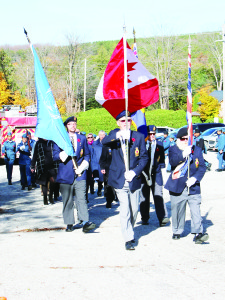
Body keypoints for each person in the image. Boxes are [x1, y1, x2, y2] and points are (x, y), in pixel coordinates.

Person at [102, 111, 148, 250]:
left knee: (134, 209)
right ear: (117, 123)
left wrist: (135, 172)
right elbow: (104, 142)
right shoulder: (114, 135)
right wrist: (118, 135)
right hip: (119, 179)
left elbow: (144, 157)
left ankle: (129, 228)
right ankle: (128, 238)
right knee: (125, 209)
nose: (126, 123)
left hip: (133, 179)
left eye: (128, 120)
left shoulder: (138, 137)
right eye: (122, 121)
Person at [164, 127, 209, 244]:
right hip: (177, 185)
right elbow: (173, 162)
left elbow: (202, 167)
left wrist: (195, 178)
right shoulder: (173, 149)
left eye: (187, 138)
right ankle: (177, 231)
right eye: (183, 139)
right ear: (178, 139)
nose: (185, 141)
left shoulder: (197, 150)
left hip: (193, 186)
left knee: (196, 210)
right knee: (177, 210)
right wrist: (184, 154)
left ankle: (198, 233)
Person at [53, 116, 96, 233]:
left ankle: (85, 221)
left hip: (80, 174)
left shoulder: (81, 138)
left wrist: (83, 166)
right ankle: (69, 223)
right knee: (67, 200)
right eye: (70, 124)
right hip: (65, 174)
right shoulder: (60, 139)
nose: (73, 126)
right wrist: (64, 153)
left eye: (74, 124)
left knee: (81, 199)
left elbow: (87, 154)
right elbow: (55, 155)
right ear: (66, 126)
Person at [140, 125, 170, 227]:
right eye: (149, 134)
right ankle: (144, 217)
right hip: (144, 175)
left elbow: (161, 160)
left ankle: (162, 218)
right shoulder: (142, 145)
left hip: (156, 174)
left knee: (158, 196)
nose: (152, 136)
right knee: (144, 197)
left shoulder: (159, 144)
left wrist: (160, 166)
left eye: (153, 134)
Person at [31, 138, 59, 205]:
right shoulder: (38, 143)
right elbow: (35, 155)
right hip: (42, 166)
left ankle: (50, 196)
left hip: (52, 165)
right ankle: (45, 198)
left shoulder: (52, 142)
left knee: (53, 181)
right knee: (44, 183)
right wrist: (32, 166)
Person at [92, 130, 106, 196]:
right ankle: (100, 189)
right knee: (100, 180)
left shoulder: (107, 142)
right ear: (98, 135)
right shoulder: (95, 144)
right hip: (98, 164)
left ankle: (107, 194)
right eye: (101, 135)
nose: (102, 136)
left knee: (106, 180)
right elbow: (93, 155)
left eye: (103, 135)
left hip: (106, 164)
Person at [86, 133, 95, 200]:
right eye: (88, 137)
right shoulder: (86, 145)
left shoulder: (94, 144)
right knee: (88, 179)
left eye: (91, 137)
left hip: (94, 163)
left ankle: (92, 188)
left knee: (93, 177)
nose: (90, 138)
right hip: (88, 163)